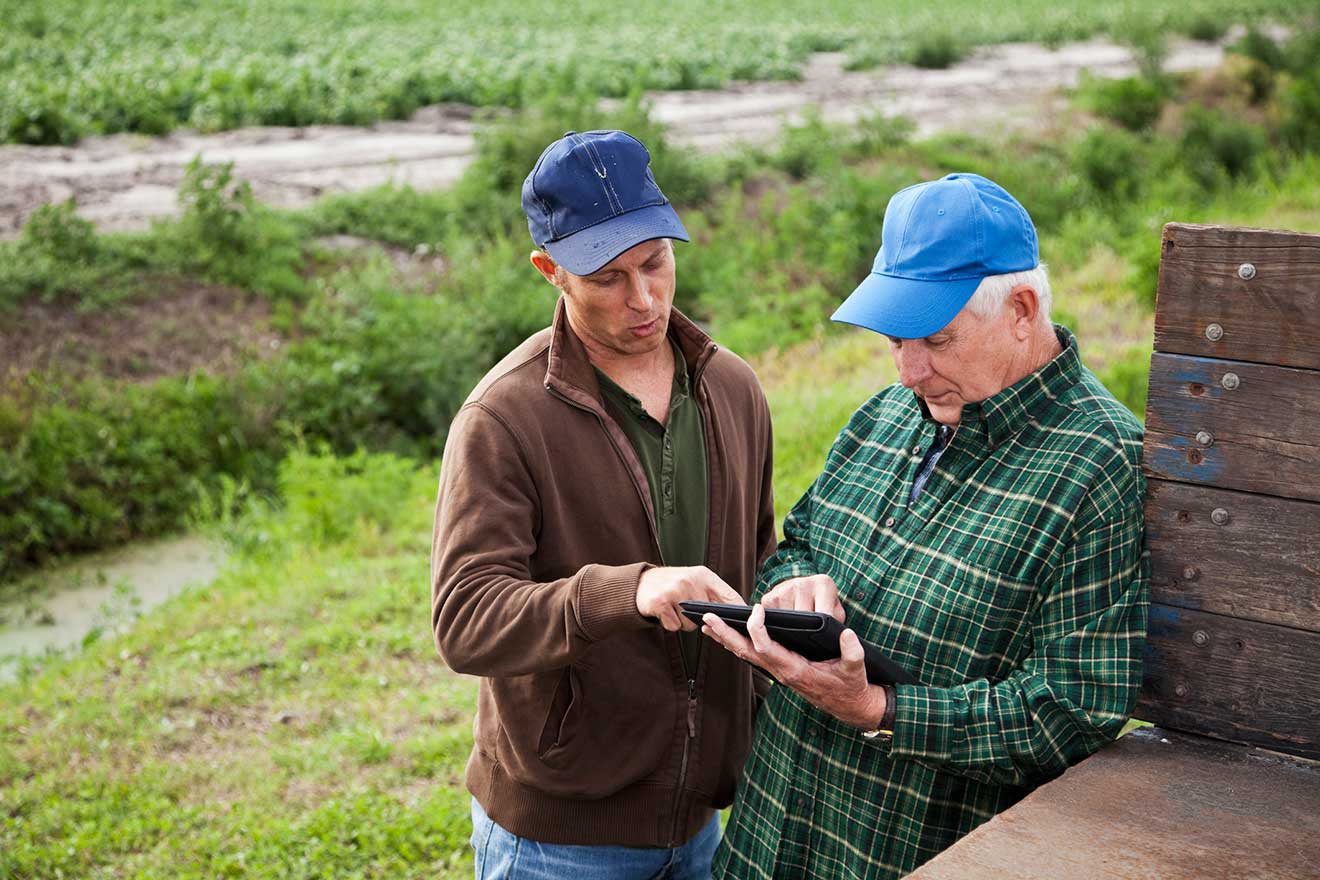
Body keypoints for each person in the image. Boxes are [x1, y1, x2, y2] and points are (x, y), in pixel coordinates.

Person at [701, 173, 1149, 879]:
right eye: (895, 341)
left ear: (1023, 309)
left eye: (936, 339)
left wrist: (880, 709)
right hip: (771, 839)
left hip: (910, 853)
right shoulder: (884, 416)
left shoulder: (1101, 468)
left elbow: (1072, 711)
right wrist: (794, 590)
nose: (909, 370)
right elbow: (799, 547)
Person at [430, 129, 777, 879]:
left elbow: (758, 554)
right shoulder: (502, 418)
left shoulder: (734, 389)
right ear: (550, 271)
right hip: (558, 844)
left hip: (704, 822)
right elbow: (465, 623)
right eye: (608, 278)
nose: (643, 299)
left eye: (655, 262)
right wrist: (630, 590)